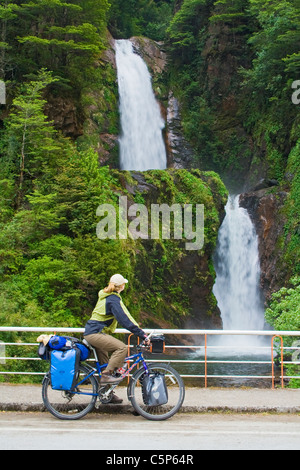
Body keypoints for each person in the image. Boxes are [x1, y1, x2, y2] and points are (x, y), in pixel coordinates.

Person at [84, 274, 149, 397]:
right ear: (122, 286)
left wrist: (140, 332)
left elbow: (126, 316)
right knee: (122, 348)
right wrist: (141, 334)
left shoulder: (108, 296)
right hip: (95, 333)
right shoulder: (113, 300)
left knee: (106, 364)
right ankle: (106, 377)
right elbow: (124, 320)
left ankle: (107, 394)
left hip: (93, 332)